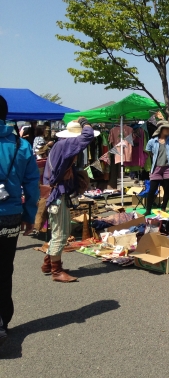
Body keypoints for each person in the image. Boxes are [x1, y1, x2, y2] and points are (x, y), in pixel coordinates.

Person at [0, 95, 40, 346]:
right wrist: (29, 216)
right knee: (4, 269)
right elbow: (32, 185)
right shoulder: (20, 145)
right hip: (11, 215)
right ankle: (3, 319)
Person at [42, 118, 98, 282]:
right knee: (61, 234)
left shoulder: (60, 145)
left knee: (59, 233)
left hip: (58, 193)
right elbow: (87, 136)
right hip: (57, 195)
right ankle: (56, 271)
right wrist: (85, 123)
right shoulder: (65, 145)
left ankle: (48, 264)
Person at [145, 121, 169, 216]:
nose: (168, 130)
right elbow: (149, 154)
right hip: (156, 168)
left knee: (167, 189)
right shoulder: (152, 141)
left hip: (168, 168)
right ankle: (148, 210)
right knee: (152, 189)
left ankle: (163, 208)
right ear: (161, 130)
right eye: (166, 128)